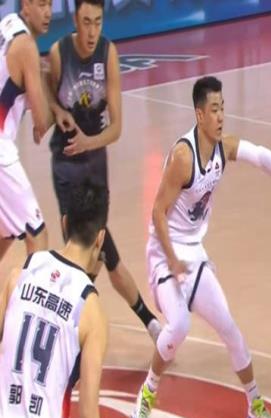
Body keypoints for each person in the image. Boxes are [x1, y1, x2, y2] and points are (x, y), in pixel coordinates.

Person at [129, 76, 271, 418]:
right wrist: (172, 261)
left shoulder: (222, 148)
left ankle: (254, 404)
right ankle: (146, 395)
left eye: (223, 108)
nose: (221, 116)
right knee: (179, 325)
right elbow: (157, 213)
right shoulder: (183, 157)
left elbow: (258, 154)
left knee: (230, 329)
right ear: (199, 115)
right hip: (164, 253)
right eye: (214, 110)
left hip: (193, 254)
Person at [47, 0, 161, 340]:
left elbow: (117, 128)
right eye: (86, 22)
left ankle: (68, 319)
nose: (92, 30)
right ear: (75, 20)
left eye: (98, 21)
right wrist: (57, 112)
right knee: (93, 250)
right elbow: (47, 95)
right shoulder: (59, 53)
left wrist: (89, 143)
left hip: (95, 162)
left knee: (98, 254)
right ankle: (150, 323)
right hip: (66, 164)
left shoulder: (108, 53)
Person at [0, 180, 109, 418]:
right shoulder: (92, 312)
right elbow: (88, 415)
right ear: (100, 238)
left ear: (64, 222)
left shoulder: (19, 275)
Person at [0, 0, 53, 263]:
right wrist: (49, 79)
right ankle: (34, 290)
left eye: (51, 4)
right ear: (26, 5)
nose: (48, 12)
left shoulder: (7, 23)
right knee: (37, 232)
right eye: (42, 4)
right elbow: (41, 122)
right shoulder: (27, 47)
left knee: (7, 231)